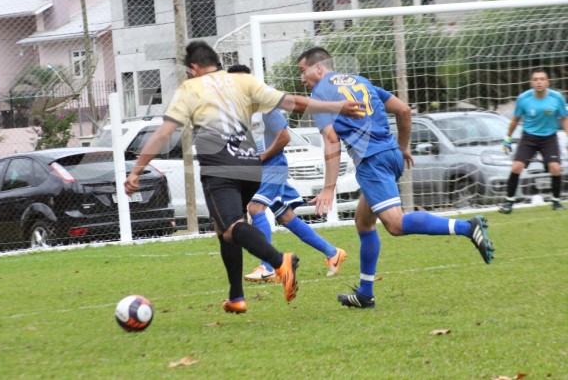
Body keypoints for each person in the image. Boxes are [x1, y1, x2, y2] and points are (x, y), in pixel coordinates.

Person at [124, 41, 366, 314]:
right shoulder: (243, 82)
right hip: (251, 168)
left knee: (231, 227)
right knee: (224, 232)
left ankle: (278, 261)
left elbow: (163, 133)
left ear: (193, 68)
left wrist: (136, 170)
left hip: (220, 169)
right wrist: (337, 106)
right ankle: (236, 297)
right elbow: (292, 102)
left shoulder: (191, 88)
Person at [297, 46, 495, 309]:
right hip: (390, 155)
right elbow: (403, 110)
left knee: (395, 225)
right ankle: (365, 294)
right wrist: (402, 147)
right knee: (364, 223)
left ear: (318, 68)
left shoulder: (320, 94)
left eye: (303, 71)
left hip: (373, 162)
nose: (302, 78)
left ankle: (468, 227)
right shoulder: (362, 81)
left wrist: (329, 188)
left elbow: (331, 139)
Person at [226, 64, 347, 282]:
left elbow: (285, 137)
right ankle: (333, 252)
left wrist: (262, 157)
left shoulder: (265, 105)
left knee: (255, 208)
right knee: (285, 216)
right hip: (260, 169)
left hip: (272, 167)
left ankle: (268, 267)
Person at [499, 69, 568, 214]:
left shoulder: (557, 98)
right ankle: (508, 202)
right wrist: (507, 139)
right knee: (516, 167)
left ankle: (556, 201)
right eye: (536, 79)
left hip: (549, 137)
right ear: (531, 83)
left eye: (542, 79)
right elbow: (515, 120)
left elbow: (564, 118)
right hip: (529, 137)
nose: (539, 82)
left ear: (547, 82)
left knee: (555, 168)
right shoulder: (523, 99)